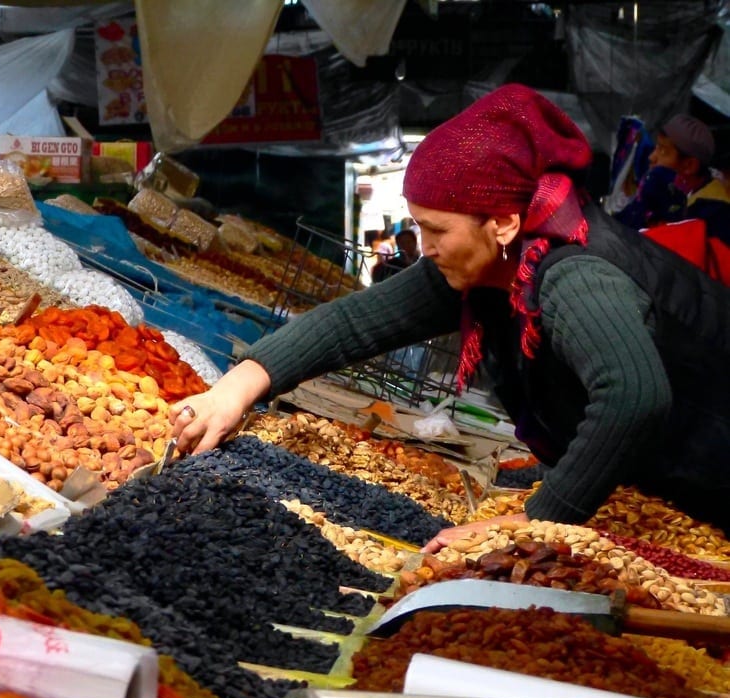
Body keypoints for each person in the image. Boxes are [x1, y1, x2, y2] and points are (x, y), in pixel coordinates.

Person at [169, 84, 730, 548]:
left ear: (503, 223)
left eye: (436, 230)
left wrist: (540, 517)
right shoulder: (491, 260)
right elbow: (355, 322)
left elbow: (633, 395)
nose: (425, 246)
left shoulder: (574, 275)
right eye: (419, 226)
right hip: (656, 482)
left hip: (708, 482)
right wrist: (234, 391)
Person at [651, 114, 730, 245]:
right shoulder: (682, 192)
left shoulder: (711, 214)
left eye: (664, 151)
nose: (652, 157)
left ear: (689, 165)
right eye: (656, 148)